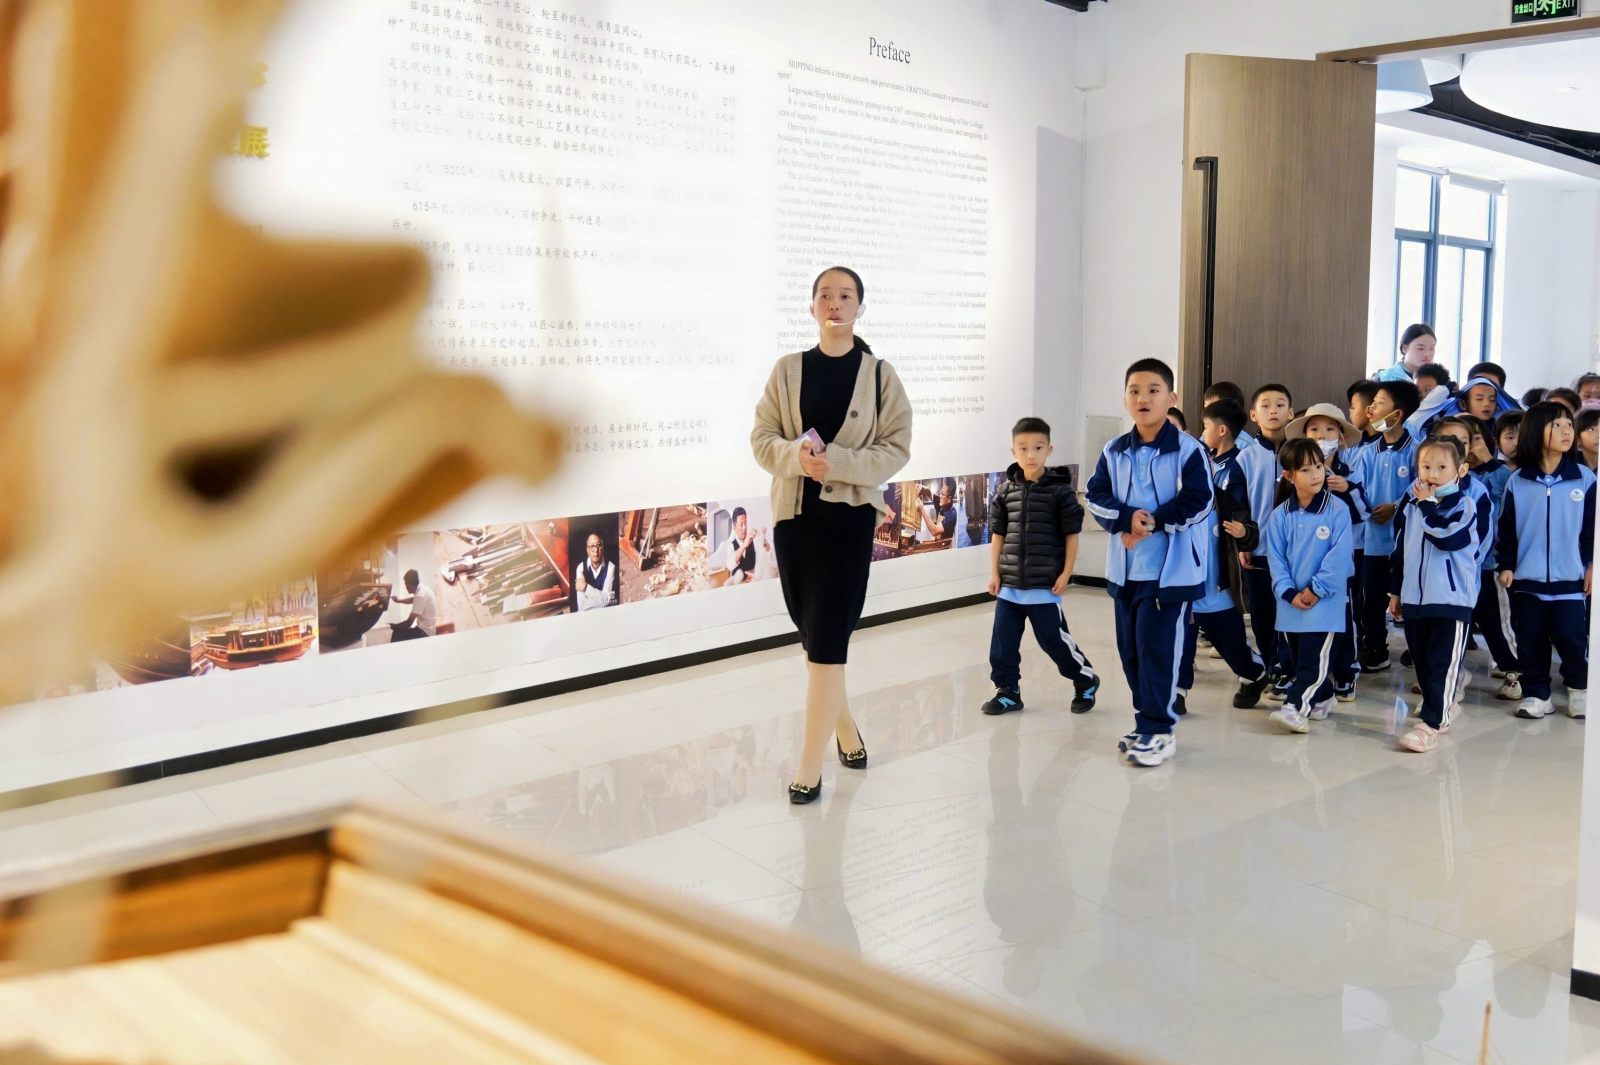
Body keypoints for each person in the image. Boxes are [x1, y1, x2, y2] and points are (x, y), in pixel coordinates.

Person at [751, 265, 912, 803]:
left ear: (860, 307)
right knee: (813, 637)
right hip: (795, 520)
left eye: (845, 296)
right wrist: (794, 457)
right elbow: (762, 439)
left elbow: (896, 449)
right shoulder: (787, 370)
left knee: (826, 640)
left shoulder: (880, 375)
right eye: (825, 295)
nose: (835, 303)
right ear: (812, 306)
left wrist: (837, 463)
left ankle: (808, 769)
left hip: (847, 522)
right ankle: (847, 733)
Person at [1086, 358, 1213, 767]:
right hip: (1125, 571)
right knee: (1131, 654)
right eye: (1135, 390)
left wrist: (1152, 522)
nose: (1143, 398)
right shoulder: (1113, 450)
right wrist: (1126, 518)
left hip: (1169, 575)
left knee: (1157, 652)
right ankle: (1146, 723)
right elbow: (1095, 496)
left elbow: (1201, 501)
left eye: (1153, 390)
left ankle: (1160, 730)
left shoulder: (1189, 450)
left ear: (1171, 398)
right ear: (1125, 398)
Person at [983, 418, 1099, 717]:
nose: (1030, 454)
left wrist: (1066, 573)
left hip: (1044, 585)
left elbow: (1071, 535)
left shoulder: (1060, 493)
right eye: (1023, 448)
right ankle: (1007, 691)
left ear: (1049, 449)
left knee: (1054, 641)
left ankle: (1085, 679)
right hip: (1009, 585)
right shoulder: (1004, 492)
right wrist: (994, 573)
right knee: (1002, 644)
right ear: (1014, 451)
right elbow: (998, 535)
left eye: (1037, 448)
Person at [1496, 401, 1595, 721]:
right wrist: (1507, 564)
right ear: (1535, 431)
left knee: (1571, 638)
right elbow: (1506, 529)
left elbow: (1592, 530)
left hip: (1571, 579)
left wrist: (1591, 565)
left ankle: (1579, 690)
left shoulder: (1584, 479)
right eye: (1557, 425)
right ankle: (1537, 694)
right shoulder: (1517, 481)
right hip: (1527, 580)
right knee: (1530, 641)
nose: (1567, 431)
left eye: (1569, 425)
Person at [1388, 435, 1481, 752]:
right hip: (1415, 601)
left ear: (1461, 470)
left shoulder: (1465, 506)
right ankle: (1441, 708)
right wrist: (1396, 591)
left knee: (1442, 666)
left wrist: (1427, 505)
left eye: (1442, 467)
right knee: (1424, 666)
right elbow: (1400, 551)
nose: (1432, 474)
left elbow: (1446, 537)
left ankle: (1431, 724)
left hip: (1450, 602)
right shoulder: (1412, 505)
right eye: (1426, 467)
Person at [1264, 438, 1354, 734]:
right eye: (1306, 469)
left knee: (1311, 663)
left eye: (1318, 466)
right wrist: (1288, 593)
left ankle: (1296, 708)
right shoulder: (1279, 516)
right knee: (1300, 661)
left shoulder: (1337, 510)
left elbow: (1339, 558)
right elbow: (1276, 560)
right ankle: (1324, 697)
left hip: (1325, 605)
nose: (1316, 474)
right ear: (1289, 476)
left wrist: (1316, 590)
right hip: (1290, 606)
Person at [1187, 399, 1271, 709]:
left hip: (1217, 589)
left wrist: (1243, 533)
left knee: (1231, 643)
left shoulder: (1223, 499)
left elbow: (1250, 531)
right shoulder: (1176, 504)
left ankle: (1254, 674)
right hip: (1183, 587)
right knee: (1180, 644)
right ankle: (1177, 693)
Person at [1432, 417, 1518, 699]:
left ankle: (1515, 671)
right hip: (1444, 571)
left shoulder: (1486, 479)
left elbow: (1493, 520)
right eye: (1448, 440)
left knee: (1495, 623)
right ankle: (1450, 676)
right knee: (1449, 626)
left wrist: (1490, 461)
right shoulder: (1429, 481)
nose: (1457, 447)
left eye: (1465, 441)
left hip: (1483, 565)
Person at [1283, 403, 1364, 701]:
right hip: (1302, 562)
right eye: (1314, 429)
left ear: (1341, 437)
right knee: (1300, 616)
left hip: (1338, 564)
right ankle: (1301, 674)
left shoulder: (1349, 473)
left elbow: (1362, 515)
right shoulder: (1293, 473)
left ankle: (1345, 672)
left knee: (1342, 616)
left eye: (1330, 429)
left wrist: (1348, 489)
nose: (1322, 435)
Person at [1351, 380, 1422, 671]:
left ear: (1397, 414)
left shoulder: (1416, 450)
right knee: (1371, 598)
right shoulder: (1367, 453)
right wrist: (1368, 510)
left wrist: (1396, 505)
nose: (1371, 409)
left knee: (1410, 598)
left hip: (1407, 542)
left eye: (1379, 403)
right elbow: (1357, 489)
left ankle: (1417, 649)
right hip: (1374, 540)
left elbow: (1422, 486)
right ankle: (1376, 648)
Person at [1237, 384, 1295, 683]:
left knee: (1289, 608)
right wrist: (1243, 542)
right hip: (1258, 549)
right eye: (1265, 405)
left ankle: (1288, 666)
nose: (1273, 410)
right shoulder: (1245, 457)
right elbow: (1238, 505)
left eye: (1280, 404)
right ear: (1253, 415)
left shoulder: (1299, 454)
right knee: (1261, 612)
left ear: (1291, 413)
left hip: (1293, 550)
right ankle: (1272, 664)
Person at [573, 530, 620, 609]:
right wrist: (602, 599)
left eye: (599, 545)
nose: (596, 550)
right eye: (592, 546)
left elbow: (607, 601)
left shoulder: (611, 567)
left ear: (603, 548)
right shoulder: (580, 568)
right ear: (587, 550)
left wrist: (585, 587)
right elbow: (581, 606)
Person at [388, 569, 436, 641]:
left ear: (410, 585)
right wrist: (398, 600)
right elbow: (412, 600)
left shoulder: (420, 596)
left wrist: (395, 626)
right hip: (430, 628)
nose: (406, 588)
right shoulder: (423, 589)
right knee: (400, 631)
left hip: (427, 633)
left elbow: (408, 623)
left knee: (397, 633)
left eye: (406, 585)